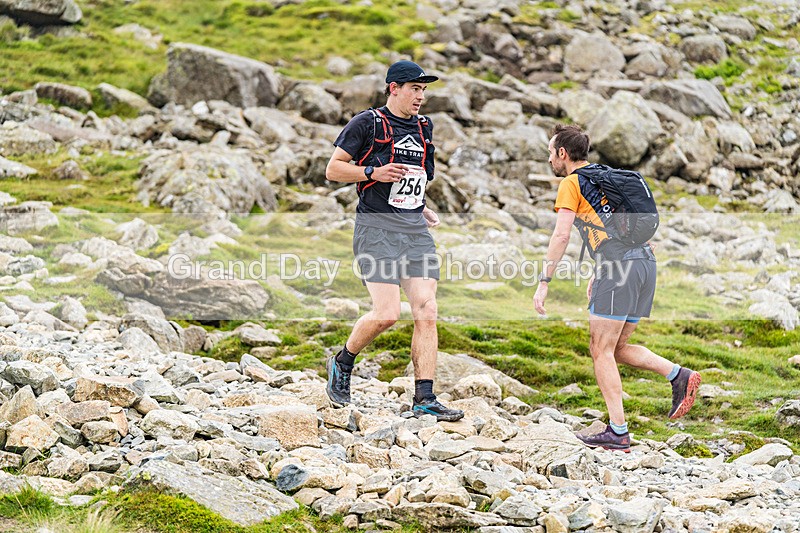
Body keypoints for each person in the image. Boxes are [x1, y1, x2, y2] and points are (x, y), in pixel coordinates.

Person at [533, 124, 701, 452]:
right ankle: (678, 375)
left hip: (619, 268)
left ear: (562, 154)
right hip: (643, 265)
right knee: (618, 348)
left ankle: (618, 431)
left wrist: (543, 283)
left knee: (601, 350)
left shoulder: (572, 183)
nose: (549, 159)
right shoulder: (607, 176)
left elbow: (562, 236)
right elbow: (622, 226)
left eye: (550, 153)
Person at [324, 60, 464, 422]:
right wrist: (372, 171)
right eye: (414, 88)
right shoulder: (367, 123)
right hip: (376, 229)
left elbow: (413, 180)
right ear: (394, 89)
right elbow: (333, 169)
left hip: (414, 232)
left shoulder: (424, 128)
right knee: (387, 314)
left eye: (424, 90)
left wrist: (422, 207)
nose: (420, 96)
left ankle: (424, 397)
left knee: (426, 310)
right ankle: (343, 360)